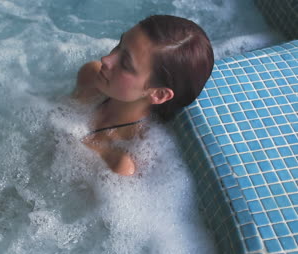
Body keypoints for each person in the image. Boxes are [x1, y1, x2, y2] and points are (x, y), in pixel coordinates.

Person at [72, 15, 214, 176]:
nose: (106, 59)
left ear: (159, 94)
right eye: (119, 45)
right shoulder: (90, 76)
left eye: (125, 64)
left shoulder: (120, 163)